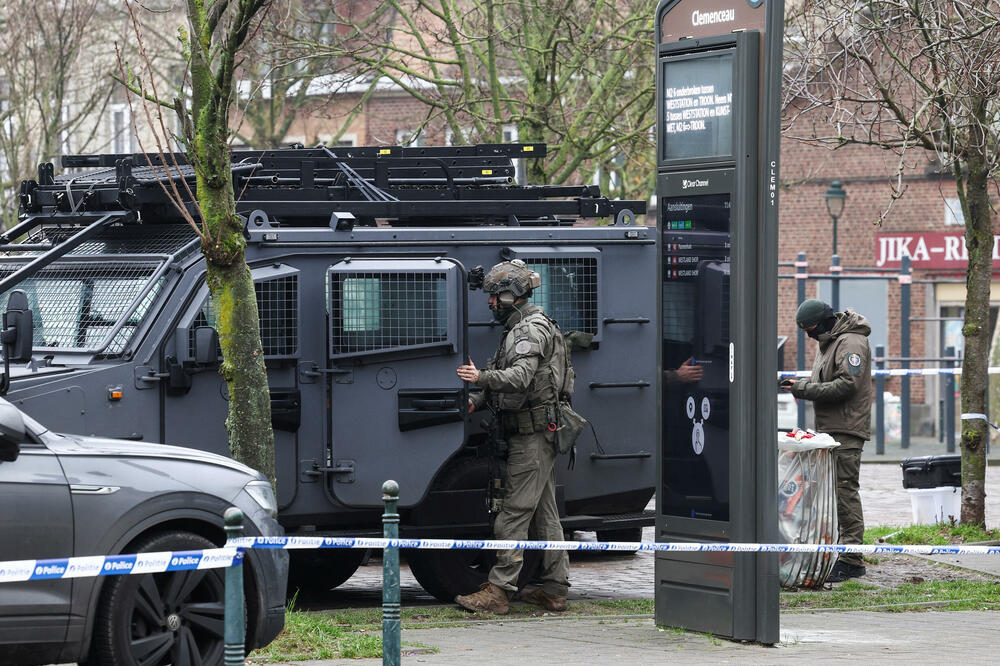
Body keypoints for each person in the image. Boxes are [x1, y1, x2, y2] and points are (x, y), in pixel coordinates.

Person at [454, 259, 571, 614]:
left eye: (495, 296)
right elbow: (512, 377)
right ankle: (554, 588)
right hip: (538, 433)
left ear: (513, 296)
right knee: (544, 515)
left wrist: (479, 381)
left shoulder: (527, 331)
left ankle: (499, 591)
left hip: (531, 437)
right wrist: (478, 399)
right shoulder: (525, 326)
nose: (491, 303)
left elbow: (518, 378)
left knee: (513, 515)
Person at [782, 299, 873, 582]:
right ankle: (839, 552)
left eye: (811, 329)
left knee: (844, 492)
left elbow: (848, 384)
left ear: (824, 322)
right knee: (832, 493)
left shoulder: (851, 343)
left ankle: (851, 559)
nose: (810, 336)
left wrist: (805, 389)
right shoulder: (831, 342)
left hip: (846, 429)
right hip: (831, 429)